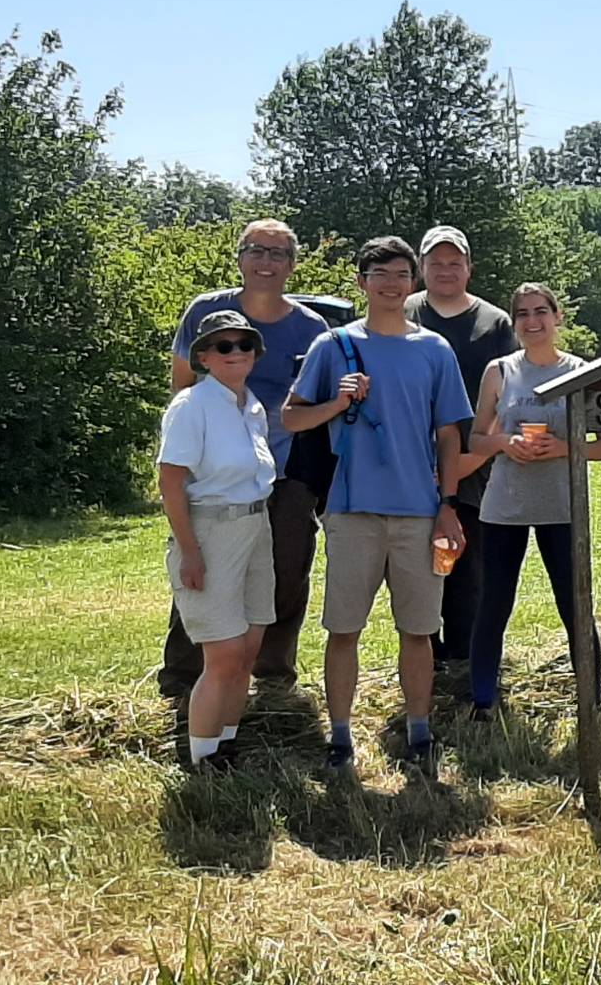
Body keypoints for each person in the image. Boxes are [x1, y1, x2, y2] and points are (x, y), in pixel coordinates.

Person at [284, 236, 472, 772]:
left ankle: (419, 731)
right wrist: (337, 401)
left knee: (419, 630)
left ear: (412, 281)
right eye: (379, 274)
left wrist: (448, 504)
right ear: (362, 282)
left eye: (400, 274)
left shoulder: (435, 350)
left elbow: (449, 436)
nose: (391, 284)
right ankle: (340, 737)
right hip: (350, 509)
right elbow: (291, 418)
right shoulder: (333, 346)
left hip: (420, 511)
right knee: (344, 628)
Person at [158, 219, 329, 697]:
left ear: (292, 265)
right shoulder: (207, 311)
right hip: (215, 473)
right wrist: (189, 458)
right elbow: (181, 387)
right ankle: (183, 680)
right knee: (203, 569)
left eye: (278, 254)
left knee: (286, 570)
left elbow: (317, 401)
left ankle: (272, 678)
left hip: (287, 469)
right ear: (239, 258)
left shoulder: (311, 329)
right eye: (256, 250)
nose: (266, 262)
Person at [459, 283, 601, 718]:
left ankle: (591, 698)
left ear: (557, 317)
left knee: (574, 602)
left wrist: (565, 448)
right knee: (494, 602)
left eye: (540, 312)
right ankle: (483, 701)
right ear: (515, 323)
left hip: (562, 506)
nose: (533, 322)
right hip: (504, 507)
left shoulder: (582, 371)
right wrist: (506, 442)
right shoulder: (500, 371)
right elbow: (477, 437)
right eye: (523, 314)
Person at [157, 311, 276, 769]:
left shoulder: (251, 405)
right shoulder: (191, 406)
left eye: (244, 345)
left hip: (255, 526)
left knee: (247, 647)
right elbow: (170, 484)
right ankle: (200, 759)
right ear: (203, 357)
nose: (236, 354)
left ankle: (226, 743)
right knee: (223, 652)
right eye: (223, 347)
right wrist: (190, 551)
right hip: (210, 528)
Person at [405, 225, 519, 668]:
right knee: (416, 564)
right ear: (422, 268)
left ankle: (467, 664)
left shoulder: (494, 323)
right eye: (436, 262)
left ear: (469, 268)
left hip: (477, 464)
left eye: (455, 262)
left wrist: (475, 457)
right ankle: (423, 660)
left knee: (469, 566)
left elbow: (508, 396)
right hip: (413, 462)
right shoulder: (404, 312)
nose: (445, 270)